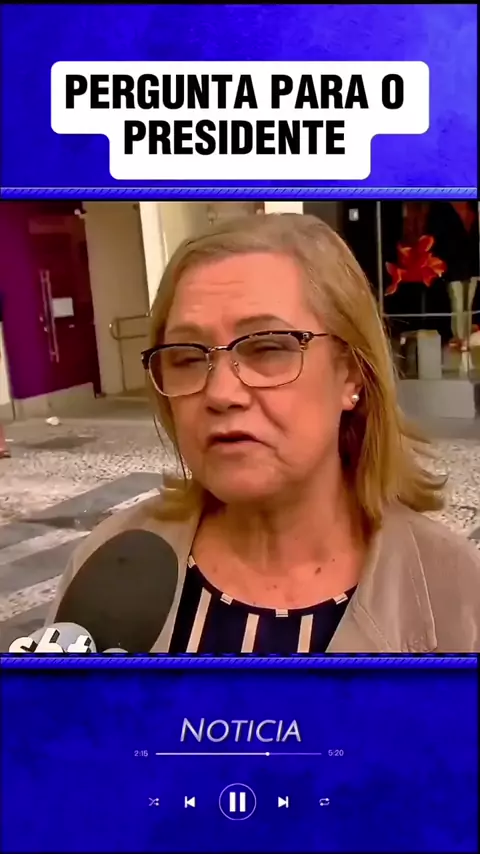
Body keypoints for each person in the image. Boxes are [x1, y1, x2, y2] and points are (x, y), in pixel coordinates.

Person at [48, 213, 480, 653]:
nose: (221, 393)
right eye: (187, 357)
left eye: (268, 348)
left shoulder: (455, 592)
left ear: (351, 372)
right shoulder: (109, 569)